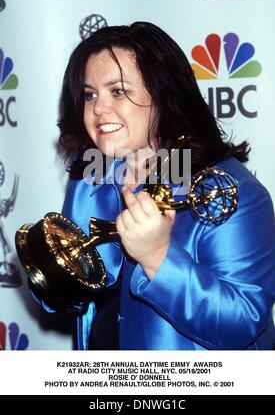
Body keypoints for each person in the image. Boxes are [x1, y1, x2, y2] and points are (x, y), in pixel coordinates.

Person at [47, 22, 275, 349]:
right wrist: (52, 272)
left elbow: (243, 324)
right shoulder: (89, 179)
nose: (98, 109)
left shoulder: (227, 191)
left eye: (119, 91)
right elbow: (75, 301)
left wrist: (158, 258)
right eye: (89, 94)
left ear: (165, 96)